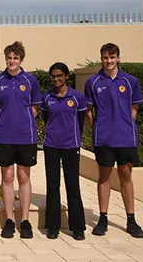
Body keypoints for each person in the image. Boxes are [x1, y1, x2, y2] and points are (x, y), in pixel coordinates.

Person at [85, 43, 143, 238]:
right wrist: (98, 127)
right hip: (104, 138)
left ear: (118, 58)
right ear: (101, 59)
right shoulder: (93, 82)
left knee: (125, 176)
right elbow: (88, 110)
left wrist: (126, 125)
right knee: (104, 177)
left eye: (112, 57)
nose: (109, 61)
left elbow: (134, 107)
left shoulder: (130, 81)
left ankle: (131, 219)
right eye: (105, 57)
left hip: (126, 138)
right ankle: (103, 219)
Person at [0, 41, 42, 239]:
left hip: (25, 136)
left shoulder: (30, 80)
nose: (12, 61)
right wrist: (5, 121)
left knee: (23, 177)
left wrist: (24, 120)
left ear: (21, 59)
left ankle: (25, 220)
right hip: (4, 136)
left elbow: (35, 106)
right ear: (6, 59)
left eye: (15, 58)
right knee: (7, 177)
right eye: (9, 58)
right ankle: (10, 220)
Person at [41, 63, 87, 241]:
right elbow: (46, 118)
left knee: (72, 185)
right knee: (52, 186)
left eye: (59, 76)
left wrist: (73, 138)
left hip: (70, 146)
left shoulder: (77, 97)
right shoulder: (47, 97)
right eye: (53, 76)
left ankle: (78, 227)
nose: (56, 79)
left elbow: (81, 120)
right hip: (51, 145)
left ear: (67, 76)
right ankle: (53, 226)